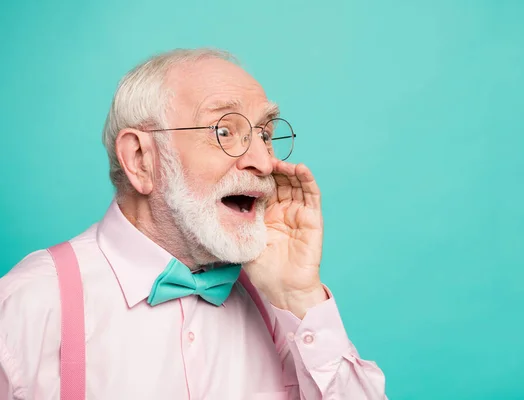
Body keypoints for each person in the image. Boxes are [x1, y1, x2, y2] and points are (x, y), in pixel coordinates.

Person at [0, 48, 386, 399]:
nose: (264, 163)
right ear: (140, 159)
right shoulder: (29, 306)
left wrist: (300, 298)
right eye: (223, 131)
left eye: (265, 134)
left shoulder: (282, 309)